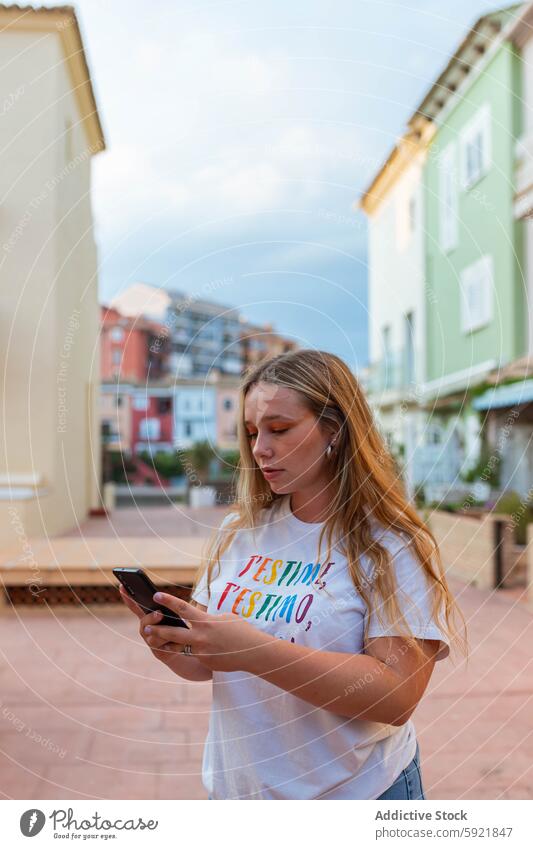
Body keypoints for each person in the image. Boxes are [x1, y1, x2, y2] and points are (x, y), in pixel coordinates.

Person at [119, 348, 468, 800]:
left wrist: (251, 650)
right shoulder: (238, 532)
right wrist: (171, 646)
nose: (260, 448)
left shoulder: (389, 544)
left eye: (279, 429)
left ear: (335, 431)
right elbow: (210, 664)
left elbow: (396, 697)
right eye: (251, 432)